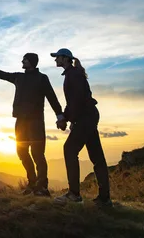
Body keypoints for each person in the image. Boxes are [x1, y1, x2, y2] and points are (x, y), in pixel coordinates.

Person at [0, 53, 65, 196]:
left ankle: (42, 187)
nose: (22, 61)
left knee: (38, 154)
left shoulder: (42, 78)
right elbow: (1, 74)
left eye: (25, 59)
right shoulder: (19, 77)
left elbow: (52, 97)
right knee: (22, 152)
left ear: (32, 62)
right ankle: (32, 183)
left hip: (36, 121)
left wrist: (60, 115)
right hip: (20, 121)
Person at [50, 48, 112, 207]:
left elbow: (76, 101)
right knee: (97, 157)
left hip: (85, 117)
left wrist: (66, 119)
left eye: (57, 57)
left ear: (65, 58)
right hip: (88, 116)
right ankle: (104, 199)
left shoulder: (73, 75)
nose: (55, 59)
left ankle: (74, 194)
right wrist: (67, 117)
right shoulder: (74, 73)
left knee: (69, 149)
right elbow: (73, 102)